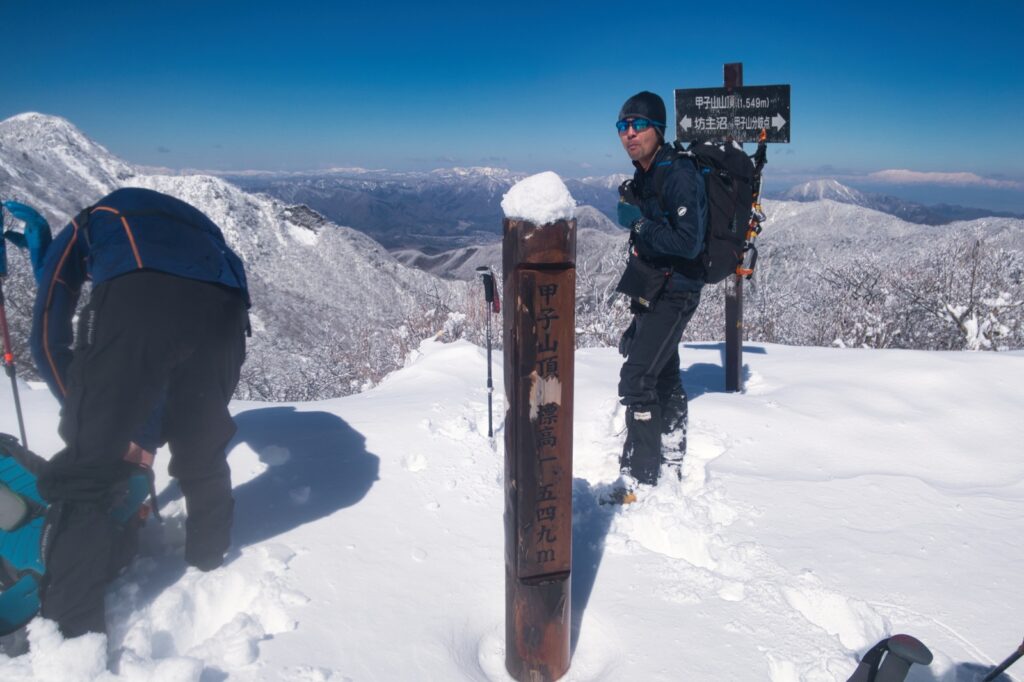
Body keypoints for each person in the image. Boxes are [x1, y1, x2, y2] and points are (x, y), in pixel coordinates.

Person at [28, 187, 250, 638]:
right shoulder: (189, 221)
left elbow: (48, 340)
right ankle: (208, 561)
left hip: (142, 295)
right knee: (202, 445)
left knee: (87, 470)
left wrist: (89, 414)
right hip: (227, 311)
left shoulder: (83, 225)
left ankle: (71, 636)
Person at [614, 91, 706, 491]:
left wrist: (639, 225)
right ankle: (670, 452)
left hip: (678, 290)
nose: (629, 134)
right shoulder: (646, 173)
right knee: (662, 370)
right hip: (657, 285)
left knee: (636, 378)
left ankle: (641, 477)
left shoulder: (678, 173)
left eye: (638, 125)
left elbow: (688, 241)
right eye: (622, 126)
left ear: (659, 129)